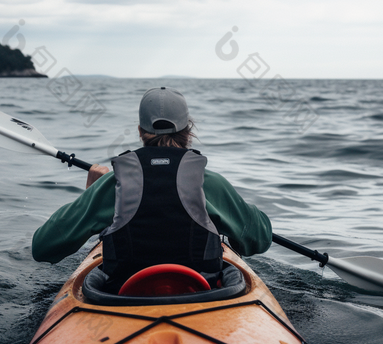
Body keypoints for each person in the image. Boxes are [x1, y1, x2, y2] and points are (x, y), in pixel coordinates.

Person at [32, 87, 272, 291]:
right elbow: (259, 239)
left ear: (140, 132)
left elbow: (43, 247)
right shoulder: (210, 183)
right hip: (204, 295)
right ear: (188, 131)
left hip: (121, 297)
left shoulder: (112, 185)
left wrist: (91, 195)